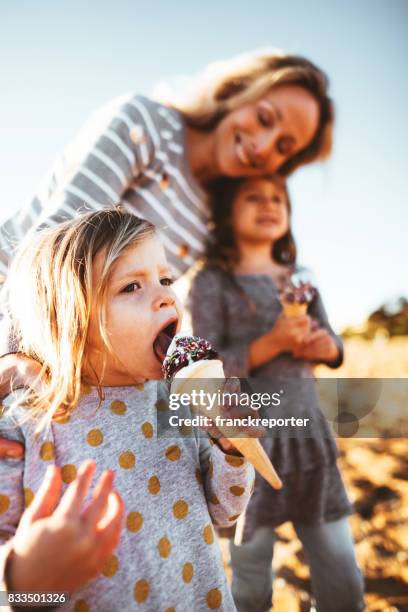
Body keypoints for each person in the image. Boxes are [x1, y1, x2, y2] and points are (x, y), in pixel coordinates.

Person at [0, 49, 334, 461]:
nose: (265, 146)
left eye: (284, 147)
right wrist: (12, 355)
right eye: (264, 118)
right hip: (17, 319)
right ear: (235, 91)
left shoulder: (218, 217)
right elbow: (52, 248)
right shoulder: (144, 124)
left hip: (77, 358)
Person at [0, 208, 255, 611]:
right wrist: (24, 580)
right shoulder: (26, 426)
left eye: (165, 279)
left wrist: (234, 451)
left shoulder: (176, 403)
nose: (167, 296)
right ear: (70, 319)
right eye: (132, 286)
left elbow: (224, 511)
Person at [189, 176, 365, 611]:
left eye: (278, 198)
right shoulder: (212, 283)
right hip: (250, 439)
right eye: (254, 197)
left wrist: (329, 347)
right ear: (226, 212)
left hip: (309, 435)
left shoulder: (302, 280)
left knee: (340, 562)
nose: (269, 205)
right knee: (251, 571)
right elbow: (208, 366)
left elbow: (333, 341)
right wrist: (274, 342)